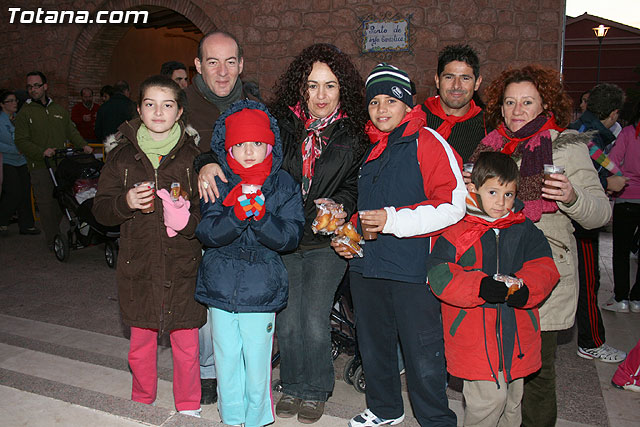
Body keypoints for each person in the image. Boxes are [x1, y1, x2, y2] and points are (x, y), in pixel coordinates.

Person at [469, 64, 612, 427]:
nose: (517, 111)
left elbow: (599, 213)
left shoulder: (566, 147)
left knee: (536, 375)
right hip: (494, 273)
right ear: (499, 108)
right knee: (496, 367)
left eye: (527, 102)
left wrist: (572, 195)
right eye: (510, 102)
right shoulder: (488, 149)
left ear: (543, 105)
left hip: (544, 277)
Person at [334, 63, 465, 427]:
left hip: (411, 269)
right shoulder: (368, 148)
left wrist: (393, 220)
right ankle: (385, 408)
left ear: (408, 104)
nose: (381, 109)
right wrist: (349, 238)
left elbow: (453, 205)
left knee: (422, 351)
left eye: (390, 100)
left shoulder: (428, 142)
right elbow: (363, 210)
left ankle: (436, 418)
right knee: (373, 345)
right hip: (367, 266)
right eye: (374, 102)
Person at [265, 43, 368, 424]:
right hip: (288, 236)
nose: (321, 96)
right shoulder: (283, 127)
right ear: (301, 88)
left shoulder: (354, 133)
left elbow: (357, 183)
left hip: (327, 241)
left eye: (330, 86)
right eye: (312, 86)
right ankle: (291, 384)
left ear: (342, 90)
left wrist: (341, 202)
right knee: (289, 317)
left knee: (313, 316)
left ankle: (316, 389)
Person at [92, 75, 206, 417]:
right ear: (139, 110)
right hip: (138, 264)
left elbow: (207, 214)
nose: (159, 111)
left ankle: (188, 405)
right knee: (141, 343)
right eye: (150, 104)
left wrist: (187, 222)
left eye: (167, 104)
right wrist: (125, 202)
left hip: (182, 264)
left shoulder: (193, 158)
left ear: (179, 112)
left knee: (186, 344)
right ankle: (142, 397)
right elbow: (100, 210)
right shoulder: (121, 157)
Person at [427, 151, 560, 426]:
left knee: (512, 403)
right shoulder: (458, 229)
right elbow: (439, 275)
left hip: (518, 334)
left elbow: (545, 266)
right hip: (474, 335)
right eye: (492, 192)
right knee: (488, 402)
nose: (501, 202)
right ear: (473, 189)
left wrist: (526, 288)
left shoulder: (523, 228)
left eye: (509, 194)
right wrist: (480, 286)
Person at [195, 100, 304, 427]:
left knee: (257, 362)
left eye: (257, 143)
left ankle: (256, 419)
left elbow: (290, 236)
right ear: (227, 148)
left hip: (261, 289)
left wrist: (261, 219)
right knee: (227, 359)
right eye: (239, 145)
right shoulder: (217, 180)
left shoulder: (282, 183)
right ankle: (231, 417)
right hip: (220, 286)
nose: (249, 152)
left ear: (271, 144)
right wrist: (235, 217)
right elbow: (207, 231)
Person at [189, 30, 262, 406]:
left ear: (241, 64)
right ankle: (207, 372)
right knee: (207, 303)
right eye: (212, 62)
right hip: (202, 221)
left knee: (248, 300)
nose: (222, 72)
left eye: (230, 61)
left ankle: (244, 370)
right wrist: (201, 163)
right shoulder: (181, 105)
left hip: (249, 219)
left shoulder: (255, 104)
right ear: (198, 65)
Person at [567, 83, 628, 362]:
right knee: (588, 281)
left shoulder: (585, 130)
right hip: (581, 220)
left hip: (578, 214)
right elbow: (583, 173)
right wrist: (607, 181)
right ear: (614, 113)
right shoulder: (586, 135)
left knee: (585, 280)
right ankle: (591, 341)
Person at [14, 71, 92, 249]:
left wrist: (84, 145)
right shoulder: (25, 114)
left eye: (36, 85)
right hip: (40, 166)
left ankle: (59, 234)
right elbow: (21, 141)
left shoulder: (58, 110)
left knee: (64, 200)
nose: (33, 89)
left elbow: (70, 131)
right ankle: (53, 242)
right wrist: (41, 151)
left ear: (45, 86)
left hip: (61, 164)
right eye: (29, 86)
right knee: (46, 204)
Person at [422, 44, 489, 162]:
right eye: (449, 77)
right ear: (437, 80)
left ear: (477, 83)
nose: (456, 85)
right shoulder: (416, 119)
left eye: (465, 78)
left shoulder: (488, 127)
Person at [606, 101, 640, 312]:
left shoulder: (629, 132)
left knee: (620, 251)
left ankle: (621, 298)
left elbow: (613, 161)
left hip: (627, 197)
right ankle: (637, 299)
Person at [0, 90, 39, 236]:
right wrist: (15, 149)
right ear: (2, 104)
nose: (14, 103)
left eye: (15, 100)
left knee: (25, 192)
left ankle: (27, 225)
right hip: (7, 160)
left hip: (22, 161)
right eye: (10, 101)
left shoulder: (18, 119)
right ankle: (2, 220)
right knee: (13, 192)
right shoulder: (1, 121)